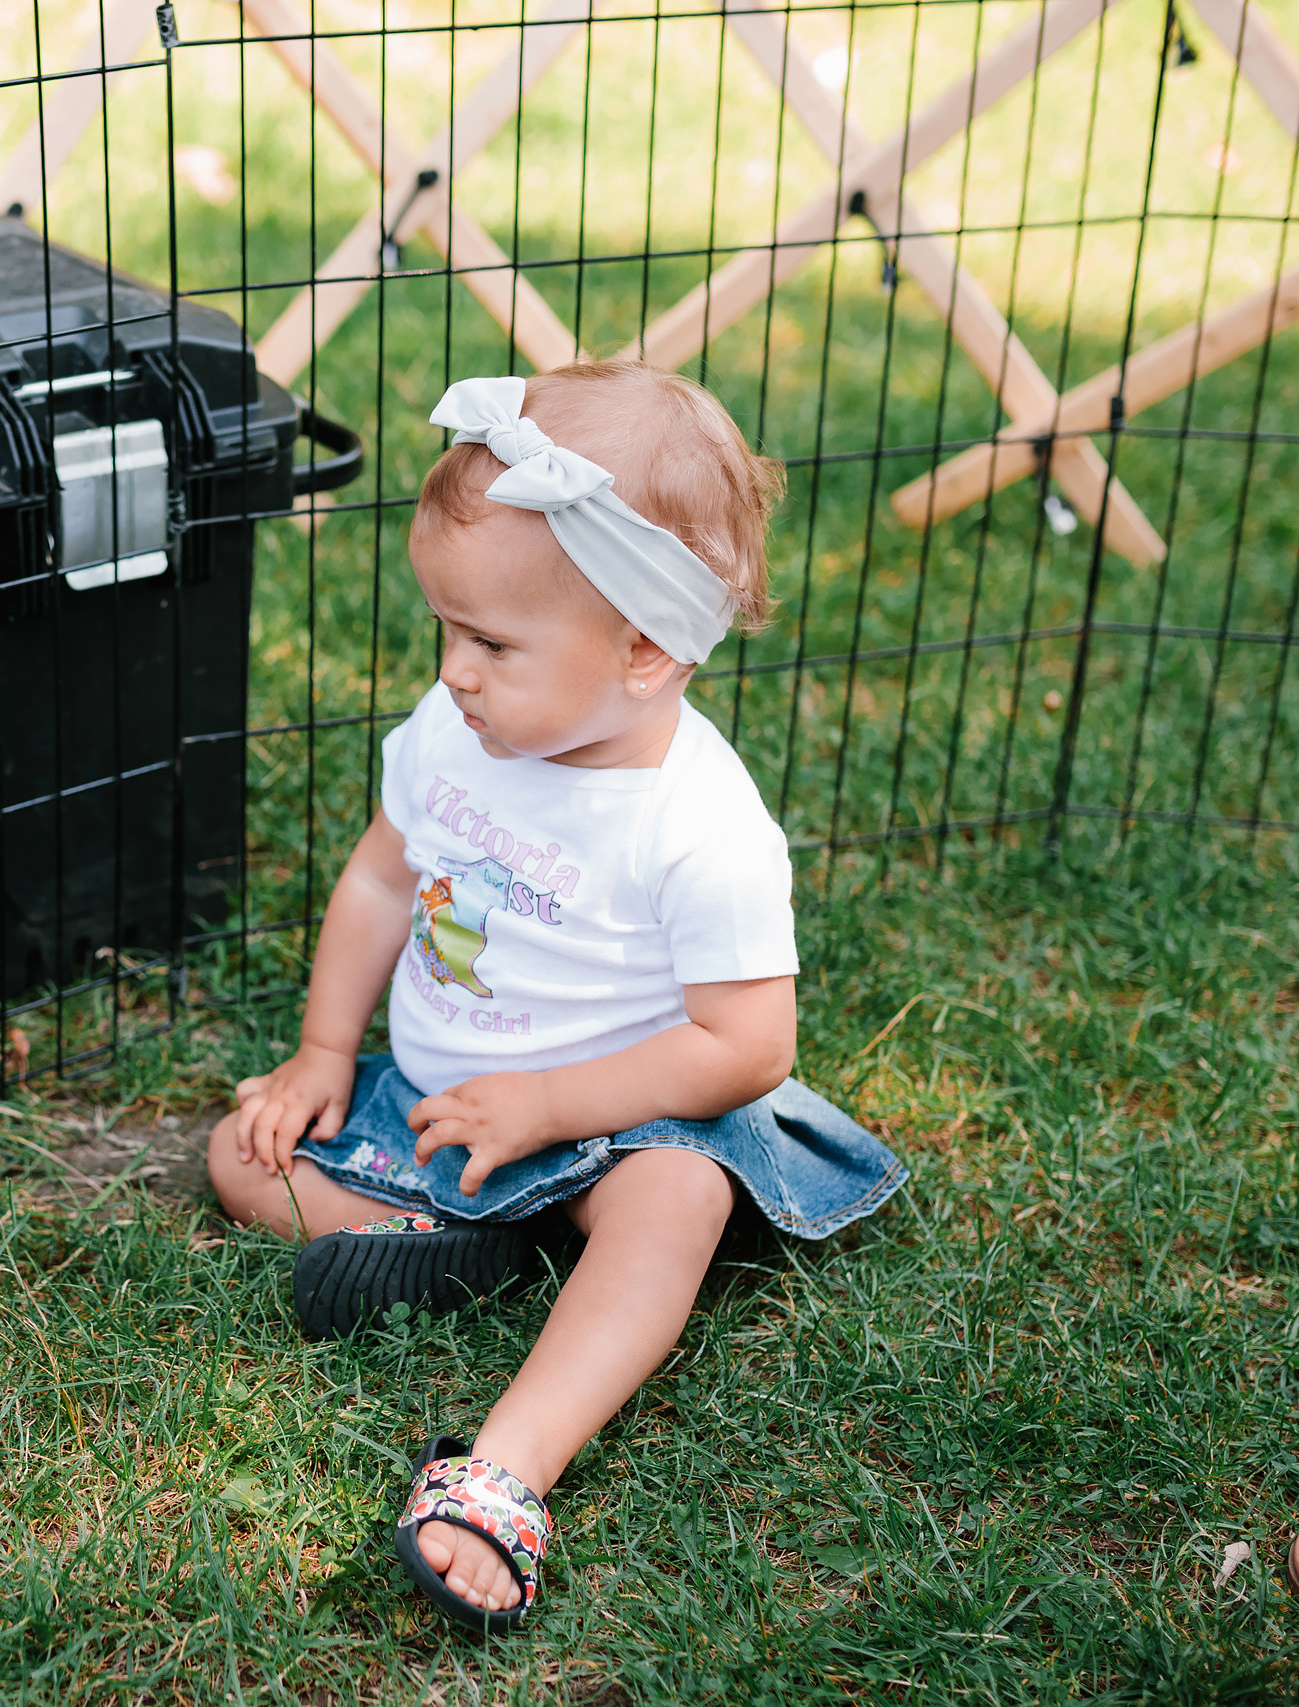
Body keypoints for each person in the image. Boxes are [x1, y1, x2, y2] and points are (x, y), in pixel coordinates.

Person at [208, 362, 904, 1634]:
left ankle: (504, 1468)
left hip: (621, 1119)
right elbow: (378, 877)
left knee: (674, 1203)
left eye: (489, 642)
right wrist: (320, 1053)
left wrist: (551, 1104)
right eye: (445, 630)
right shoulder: (451, 729)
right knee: (245, 1149)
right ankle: (459, 1245)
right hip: (445, 1098)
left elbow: (746, 1047)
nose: (452, 671)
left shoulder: (699, 825)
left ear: (644, 652)